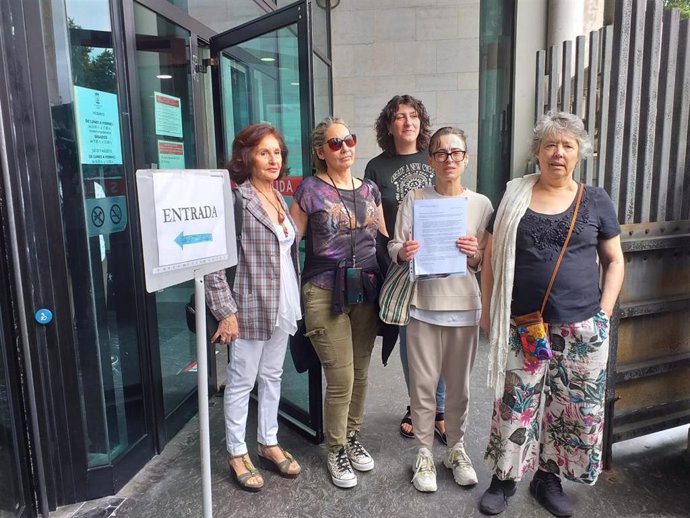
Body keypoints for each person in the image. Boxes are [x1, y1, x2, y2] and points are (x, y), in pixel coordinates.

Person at [478, 112, 625, 516]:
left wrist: (603, 315)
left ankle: (548, 478)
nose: (558, 153)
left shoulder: (595, 200)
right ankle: (504, 478)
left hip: (582, 328)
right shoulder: (514, 197)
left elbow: (614, 261)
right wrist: (489, 311)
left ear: (580, 153)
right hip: (523, 324)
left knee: (569, 409)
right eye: (550, 145)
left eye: (567, 146)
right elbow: (489, 257)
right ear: (537, 152)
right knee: (515, 403)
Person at [388, 127, 493, 492]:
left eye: (456, 153)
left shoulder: (481, 204)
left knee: (460, 387)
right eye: (441, 153)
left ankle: (457, 448)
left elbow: (484, 262)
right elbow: (394, 246)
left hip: (465, 307)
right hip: (423, 307)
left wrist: (475, 254)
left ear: (466, 158)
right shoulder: (415, 198)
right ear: (430, 159)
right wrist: (404, 252)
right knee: (422, 387)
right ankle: (423, 453)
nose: (449, 159)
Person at [290, 117, 387, 489]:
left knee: (361, 372)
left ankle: (353, 436)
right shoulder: (309, 190)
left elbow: (383, 238)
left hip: (365, 287)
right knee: (341, 376)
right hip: (323, 289)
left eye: (349, 140)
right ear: (320, 152)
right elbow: (289, 240)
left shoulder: (370, 190)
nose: (344, 147)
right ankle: (336, 448)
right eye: (335, 143)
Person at [205, 123, 302, 492]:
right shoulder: (237, 201)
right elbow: (216, 261)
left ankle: (268, 441)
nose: (273, 159)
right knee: (242, 380)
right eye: (264, 152)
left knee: (272, 376)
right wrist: (225, 312)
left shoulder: (279, 197)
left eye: (277, 152)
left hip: (283, 302)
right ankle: (236, 450)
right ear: (247, 157)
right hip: (247, 306)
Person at [364, 94, 447, 444]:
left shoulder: (434, 159)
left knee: (441, 338)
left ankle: (440, 409)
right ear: (389, 125)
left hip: (440, 262)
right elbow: (374, 221)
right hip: (398, 263)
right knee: (409, 341)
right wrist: (390, 254)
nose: (407, 122)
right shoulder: (376, 167)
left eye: (413, 116)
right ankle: (417, 406)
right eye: (399, 117)